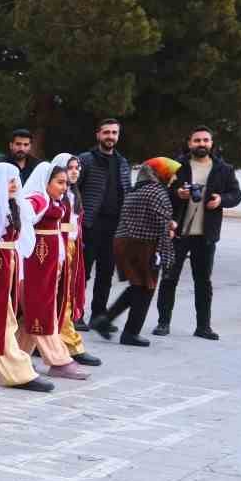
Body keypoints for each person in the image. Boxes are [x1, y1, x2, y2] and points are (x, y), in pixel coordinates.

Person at [0, 162, 54, 392]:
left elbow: (36, 206)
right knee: (1, 319)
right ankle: (17, 373)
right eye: (10, 181)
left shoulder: (14, 203)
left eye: (17, 180)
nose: (15, 185)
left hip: (7, 263)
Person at [154, 125, 241, 340]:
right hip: (178, 232)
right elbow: (159, 191)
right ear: (189, 143)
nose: (201, 144)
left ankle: (203, 327)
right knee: (168, 279)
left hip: (206, 234)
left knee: (203, 281)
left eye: (205, 140)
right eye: (197, 140)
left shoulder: (224, 169)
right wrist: (177, 193)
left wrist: (222, 200)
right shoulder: (177, 167)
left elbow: (236, 194)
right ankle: (163, 323)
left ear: (211, 143)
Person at [16, 158, 90, 381]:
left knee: (30, 312)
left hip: (50, 262)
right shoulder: (37, 199)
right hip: (36, 264)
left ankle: (19, 356)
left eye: (65, 183)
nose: (64, 187)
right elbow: (25, 214)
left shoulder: (53, 200)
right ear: (45, 182)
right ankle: (58, 360)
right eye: (59, 182)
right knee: (41, 309)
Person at [95, 157, 180, 346]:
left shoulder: (136, 190)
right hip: (143, 246)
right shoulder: (157, 192)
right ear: (160, 174)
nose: (174, 178)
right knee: (146, 288)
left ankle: (105, 320)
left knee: (137, 286)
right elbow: (161, 225)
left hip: (125, 243)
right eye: (171, 174)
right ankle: (130, 333)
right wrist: (168, 255)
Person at [77, 119, 130, 333]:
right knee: (83, 273)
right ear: (98, 135)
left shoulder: (122, 162)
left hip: (115, 226)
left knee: (106, 273)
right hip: (90, 225)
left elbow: (127, 190)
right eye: (106, 132)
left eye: (114, 133)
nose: (110, 136)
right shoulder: (85, 160)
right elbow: (74, 189)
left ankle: (98, 314)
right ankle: (76, 315)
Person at [55, 154, 102, 366]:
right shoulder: (56, 196)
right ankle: (72, 346)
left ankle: (50, 343)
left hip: (72, 247)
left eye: (77, 167)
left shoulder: (74, 193)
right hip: (57, 249)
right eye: (69, 167)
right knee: (61, 299)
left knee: (66, 297)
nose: (74, 171)